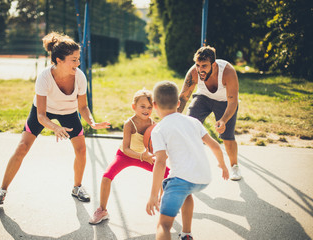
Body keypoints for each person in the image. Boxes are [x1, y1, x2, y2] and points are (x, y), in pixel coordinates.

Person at [0, 32, 110, 204]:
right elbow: (41, 115)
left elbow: (82, 107)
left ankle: (77, 187)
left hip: (69, 111)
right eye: (74, 59)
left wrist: (92, 122)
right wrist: (54, 127)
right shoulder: (44, 77)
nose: (78, 63)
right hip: (44, 111)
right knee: (23, 146)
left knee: (81, 150)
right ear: (59, 60)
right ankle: (1, 190)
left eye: (78, 58)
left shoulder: (80, 77)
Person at [146, 81, 229, 240]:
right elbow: (215, 146)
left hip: (181, 180)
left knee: (163, 225)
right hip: (203, 179)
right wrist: (223, 165)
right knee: (186, 193)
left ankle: (182, 233)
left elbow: (161, 162)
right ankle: (186, 234)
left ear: (154, 105)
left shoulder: (159, 130)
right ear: (178, 103)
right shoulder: (193, 122)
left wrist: (153, 194)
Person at [89, 89, 170, 225]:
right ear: (134, 107)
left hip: (144, 156)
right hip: (125, 155)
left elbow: (156, 147)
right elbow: (126, 149)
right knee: (106, 177)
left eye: (150, 107)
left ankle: (163, 201)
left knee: (166, 173)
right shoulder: (129, 124)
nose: (146, 110)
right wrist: (142, 156)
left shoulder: (153, 125)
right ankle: (102, 210)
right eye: (142, 106)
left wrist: (156, 156)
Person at [177, 46, 241, 181]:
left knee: (227, 136)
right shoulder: (194, 73)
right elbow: (183, 97)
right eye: (197, 65)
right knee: (190, 127)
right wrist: (173, 117)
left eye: (204, 66)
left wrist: (223, 120)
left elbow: (233, 102)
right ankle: (189, 166)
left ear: (214, 64)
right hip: (203, 98)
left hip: (225, 102)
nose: (200, 69)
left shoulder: (228, 72)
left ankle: (234, 166)